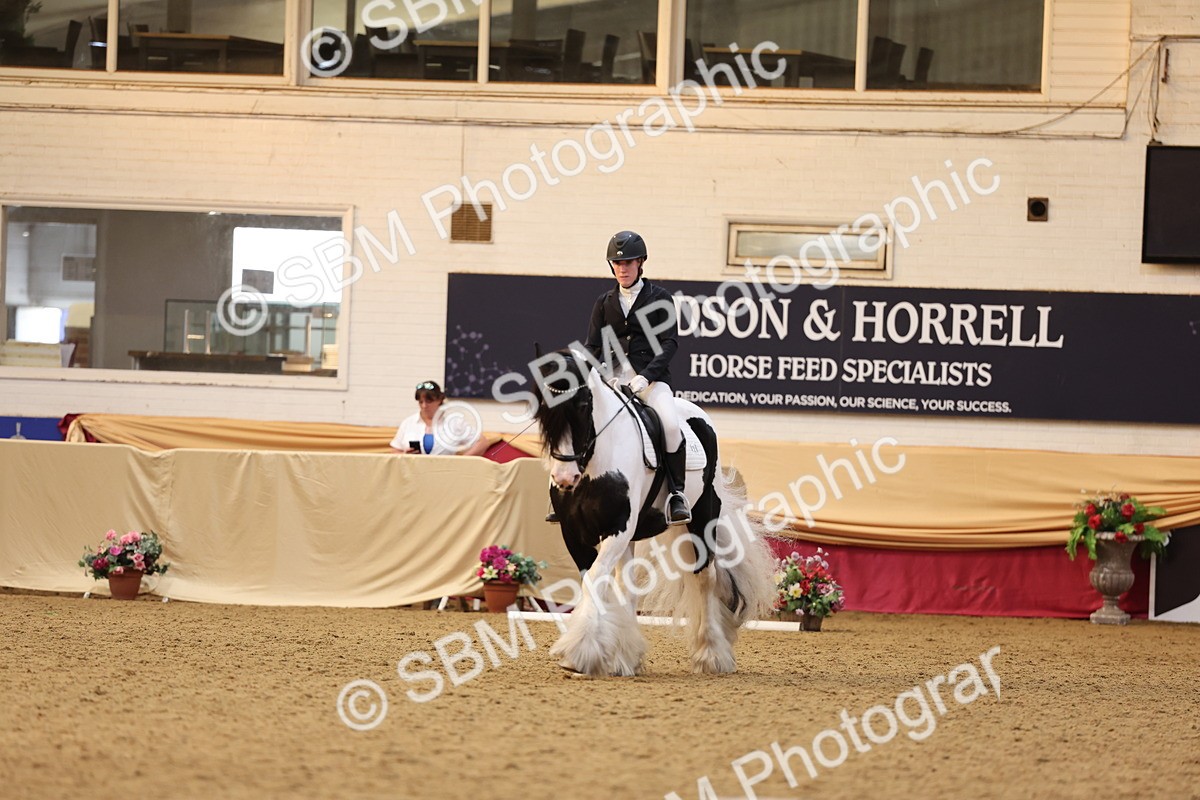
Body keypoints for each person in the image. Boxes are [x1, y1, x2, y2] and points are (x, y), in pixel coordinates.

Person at [584, 230, 690, 525]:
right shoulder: (604, 302)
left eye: (628, 262)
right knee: (578, 418)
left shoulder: (660, 298)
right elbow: (593, 346)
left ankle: (677, 494)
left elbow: (670, 343)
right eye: (617, 263)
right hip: (613, 382)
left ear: (640, 262)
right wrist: (598, 374)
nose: (623, 268)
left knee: (670, 425)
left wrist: (646, 377)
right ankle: (567, 491)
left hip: (651, 382)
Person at [390, 380, 491, 457]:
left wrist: (461, 462)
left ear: (439, 400)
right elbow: (395, 450)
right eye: (420, 402)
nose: (424, 406)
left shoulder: (454, 423)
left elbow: (482, 442)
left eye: (429, 402)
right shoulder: (408, 423)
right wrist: (404, 455)